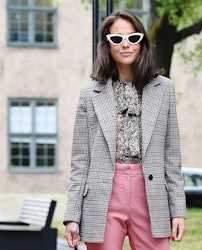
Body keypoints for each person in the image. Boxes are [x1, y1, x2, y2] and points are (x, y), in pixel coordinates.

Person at [63, 9, 186, 250]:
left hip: (151, 195)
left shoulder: (165, 89)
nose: (126, 44)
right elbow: (80, 161)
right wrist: (72, 216)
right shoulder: (90, 94)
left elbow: (172, 158)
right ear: (107, 46)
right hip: (103, 196)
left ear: (143, 42)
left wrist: (178, 210)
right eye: (117, 39)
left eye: (133, 37)